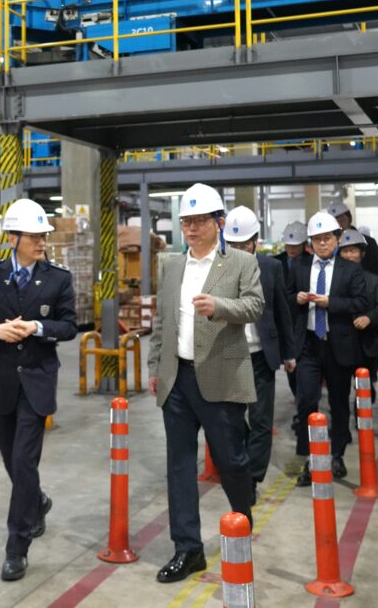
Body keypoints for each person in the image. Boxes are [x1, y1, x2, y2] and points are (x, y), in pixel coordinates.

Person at [147, 183, 264, 584]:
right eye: (185, 221)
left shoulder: (241, 264)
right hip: (176, 378)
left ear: (219, 222)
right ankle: (188, 548)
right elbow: (161, 321)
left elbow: (254, 305)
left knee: (231, 459)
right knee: (179, 466)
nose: (191, 229)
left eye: (199, 221)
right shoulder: (172, 266)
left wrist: (219, 308)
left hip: (219, 375)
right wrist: (154, 367)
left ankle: (241, 523)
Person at [0, 198, 77, 582]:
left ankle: (17, 546)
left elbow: (69, 326)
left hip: (39, 379)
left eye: (43, 234)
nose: (42, 241)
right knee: (9, 456)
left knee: (25, 460)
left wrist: (36, 328)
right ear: (14, 238)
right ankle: (38, 501)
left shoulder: (59, 278)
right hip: (3, 378)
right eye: (34, 235)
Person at [287, 211, 368, 486]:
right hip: (309, 344)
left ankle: (336, 454)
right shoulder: (299, 266)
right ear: (310, 242)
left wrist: (329, 303)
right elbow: (284, 298)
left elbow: (359, 303)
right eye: (317, 239)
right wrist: (296, 298)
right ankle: (311, 459)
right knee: (307, 400)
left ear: (337, 238)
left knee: (338, 402)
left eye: (327, 238)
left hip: (338, 345)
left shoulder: (351, 270)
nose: (322, 244)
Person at [223, 206, 296, 506]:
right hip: (230, 355)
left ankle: (252, 478)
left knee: (262, 420)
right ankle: (241, 467)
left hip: (261, 356)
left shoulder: (271, 268)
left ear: (254, 241)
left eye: (244, 244)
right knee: (231, 419)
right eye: (233, 245)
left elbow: (282, 312)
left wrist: (289, 353)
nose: (239, 249)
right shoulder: (216, 268)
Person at [338, 229, 378, 403]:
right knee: (340, 390)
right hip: (341, 344)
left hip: (367, 343)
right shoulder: (334, 281)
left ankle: (363, 425)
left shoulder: (375, 281)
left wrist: (369, 317)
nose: (348, 255)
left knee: (364, 387)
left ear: (362, 253)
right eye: (345, 251)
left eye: (353, 250)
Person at [273, 220, 311, 406]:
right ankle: (297, 394)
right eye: (288, 245)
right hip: (282, 319)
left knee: (301, 363)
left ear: (304, 245)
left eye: (295, 246)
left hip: (303, 319)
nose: (290, 249)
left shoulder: (311, 263)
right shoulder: (276, 261)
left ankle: (303, 397)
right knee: (289, 362)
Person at [326, 200, 378, 302]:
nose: (339, 222)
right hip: (338, 299)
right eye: (335, 219)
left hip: (366, 296)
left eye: (342, 217)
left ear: (349, 217)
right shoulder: (328, 245)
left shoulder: (368, 242)